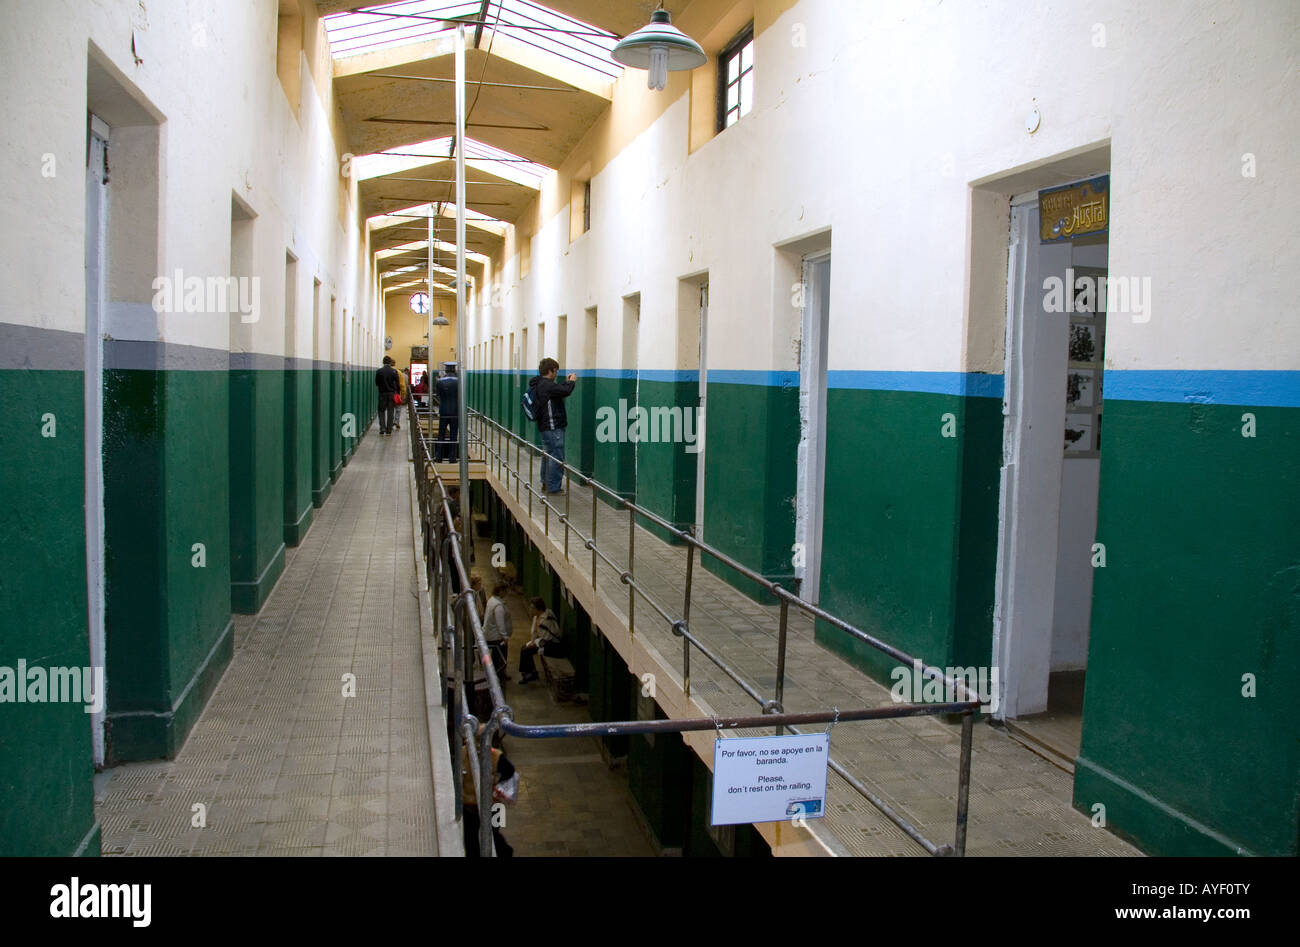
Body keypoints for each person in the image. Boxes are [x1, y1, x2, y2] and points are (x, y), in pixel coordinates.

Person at [460, 736, 516, 857]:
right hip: (471, 808)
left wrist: (497, 784)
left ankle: (505, 852)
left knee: (492, 836)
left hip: (493, 807)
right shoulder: (463, 752)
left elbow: (510, 771)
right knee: (472, 841)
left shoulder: (496, 756)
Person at [528, 358, 576, 495]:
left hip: (545, 427)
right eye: (556, 371)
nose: (556, 374)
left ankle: (546, 482)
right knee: (556, 456)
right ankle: (553, 487)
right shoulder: (547, 385)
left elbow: (559, 390)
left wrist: (567, 383)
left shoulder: (540, 384)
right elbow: (565, 391)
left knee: (548, 454)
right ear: (551, 371)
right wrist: (572, 381)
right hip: (553, 426)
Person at [518, 596, 563, 684]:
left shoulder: (545, 620)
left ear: (539, 609)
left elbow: (546, 639)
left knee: (526, 651)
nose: (530, 610)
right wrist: (532, 642)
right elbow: (534, 632)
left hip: (553, 646)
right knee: (524, 648)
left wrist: (534, 644)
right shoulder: (537, 617)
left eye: (532, 608)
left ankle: (531, 674)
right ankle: (530, 672)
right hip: (545, 642)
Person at [483, 582, 513, 684]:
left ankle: (495, 673)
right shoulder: (498, 605)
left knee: (496, 655)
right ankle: (499, 674)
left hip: (490, 634)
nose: (506, 593)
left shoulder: (492, 600)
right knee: (500, 656)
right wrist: (504, 636)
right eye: (505, 591)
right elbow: (500, 623)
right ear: (500, 591)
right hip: (496, 636)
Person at [435, 361, 460, 463]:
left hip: (444, 411)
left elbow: (438, 395)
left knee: (441, 434)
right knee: (453, 435)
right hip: (455, 411)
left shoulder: (440, 381)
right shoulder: (459, 381)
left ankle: (438, 456)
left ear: (446, 369)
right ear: (454, 369)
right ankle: (452, 457)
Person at [374, 356, 401, 436]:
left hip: (382, 393)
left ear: (383, 362)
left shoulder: (379, 371)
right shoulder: (394, 371)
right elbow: (397, 384)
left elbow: (377, 383)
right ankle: (389, 430)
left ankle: (382, 428)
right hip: (391, 394)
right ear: (390, 362)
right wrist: (397, 393)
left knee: (381, 411)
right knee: (390, 411)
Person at [394, 366, 410, 431]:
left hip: (391, 393)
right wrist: (403, 394)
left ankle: (391, 422)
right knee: (398, 408)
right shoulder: (404, 375)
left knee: (391, 408)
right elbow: (403, 385)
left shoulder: (395, 372)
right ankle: (396, 421)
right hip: (398, 394)